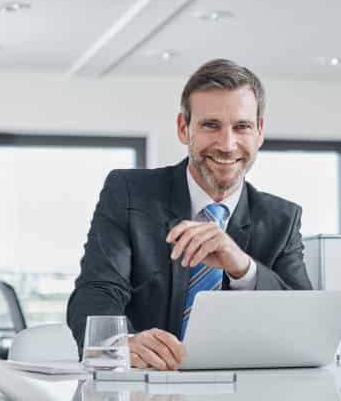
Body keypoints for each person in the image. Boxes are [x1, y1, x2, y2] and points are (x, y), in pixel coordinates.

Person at [67, 59, 312, 371]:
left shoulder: (282, 218)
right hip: (149, 387)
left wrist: (243, 268)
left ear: (259, 132)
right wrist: (118, 344)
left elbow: (304, 322)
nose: (227, 144)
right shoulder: (129, 192)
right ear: (184, 128)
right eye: (211, 125)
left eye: (242, 127)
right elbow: (96, 290)